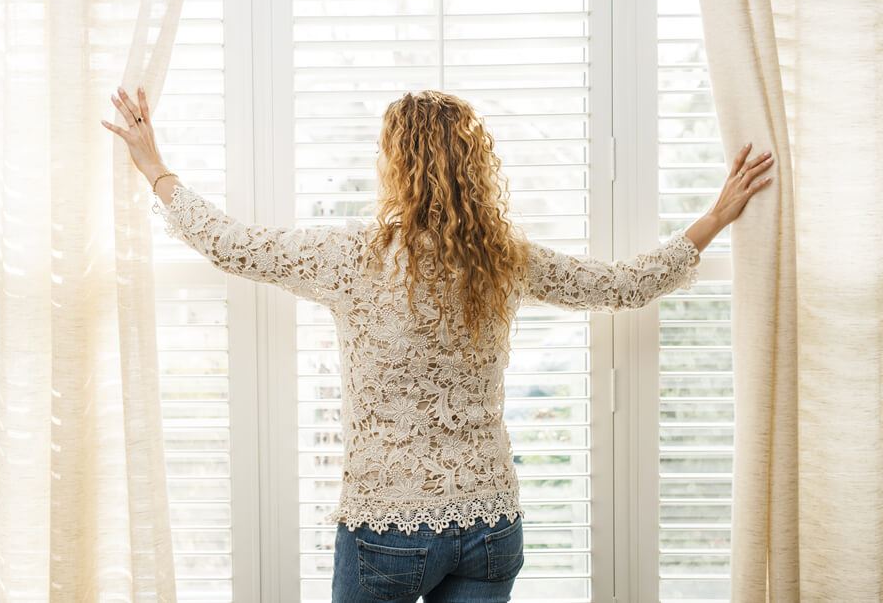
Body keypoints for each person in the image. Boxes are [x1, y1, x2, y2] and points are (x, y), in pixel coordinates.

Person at [102, 86, 774, 603]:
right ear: (473, 170)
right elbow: (623, 283)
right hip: (490, 525)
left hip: (386, 529)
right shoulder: (503, 259)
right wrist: (714, 215)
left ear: (398, 167)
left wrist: (154, 166)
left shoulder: (353, 256)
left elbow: (233, 244)